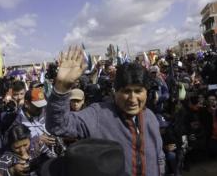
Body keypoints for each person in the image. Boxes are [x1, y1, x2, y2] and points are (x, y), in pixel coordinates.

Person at [46, 46, 165, 175]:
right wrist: (61, 89)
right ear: (115, 91)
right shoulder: (98, 114)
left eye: (138, 91)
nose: (132, 99)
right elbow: (58, 126)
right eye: (126, 91)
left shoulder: (150, 117)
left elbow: (159, 156)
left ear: (146, 92)